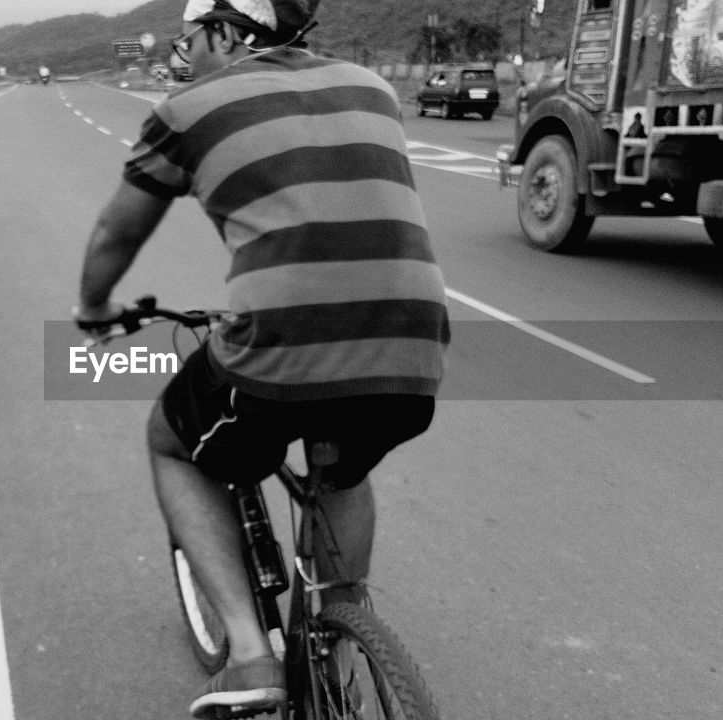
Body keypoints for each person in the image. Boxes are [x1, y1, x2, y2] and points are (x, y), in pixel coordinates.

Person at [73, 0, 450, 716]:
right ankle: (339, 643)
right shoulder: (372, 86)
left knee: (173, 446)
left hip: (280, 344)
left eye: (192, 38)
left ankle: (250, 656)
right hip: (412, 342)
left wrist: (94, 309)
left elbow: (114, 238)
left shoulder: (188, 107)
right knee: (341, 467)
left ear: (224, 30)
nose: (188, 54)